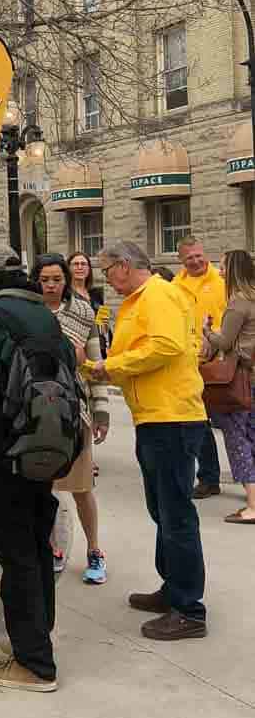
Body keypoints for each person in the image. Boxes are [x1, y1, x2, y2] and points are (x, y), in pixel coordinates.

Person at [0, 242, 76, 693]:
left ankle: (35, 664)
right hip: (48, 449)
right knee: (37, 544)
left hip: (8, 450)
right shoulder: (45, 316)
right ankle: (35, 637)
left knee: (16, 551)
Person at [92, 240, 208, 640]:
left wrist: (110, 367)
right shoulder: (144, 297)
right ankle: (173, 587)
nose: (107, 280)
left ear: (125, 266)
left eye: (107, 272)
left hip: (171, 418)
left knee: (175, 515)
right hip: (156, 417)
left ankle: (189, 609)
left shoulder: (157, 294)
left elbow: (165, 346)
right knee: (163, 511)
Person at [31, 254, 109, 585]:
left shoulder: (82, 313)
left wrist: (102, 410)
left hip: (75, 411)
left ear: (66, 280)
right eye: (45, 279)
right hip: (36, 411)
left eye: (56, 279)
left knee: (80, 487)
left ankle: (94, 550)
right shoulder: (28, 314)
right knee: (42, 488)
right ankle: (51, 547)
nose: (51, 285)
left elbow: (95, 363)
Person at [202, 250, 255, 524]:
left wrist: (207, 331)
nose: (219, 271)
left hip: (241, 379)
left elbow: (224, 343)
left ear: (233, 270)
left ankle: (252, 506)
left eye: (222, 267)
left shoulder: (238, 304)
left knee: (237, 440)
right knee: (252, 436)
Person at [175, 235, 227, 499]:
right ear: (181, 260)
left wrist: (217, 340)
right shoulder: (176, 286)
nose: (195, 261)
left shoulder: (222, 281)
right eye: (189, 258)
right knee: (199, 423)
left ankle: (250, 479)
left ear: (204, 253)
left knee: (236, 423)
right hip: (190, 364)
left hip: (223, 362)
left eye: (198, 255)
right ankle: (209, 478)